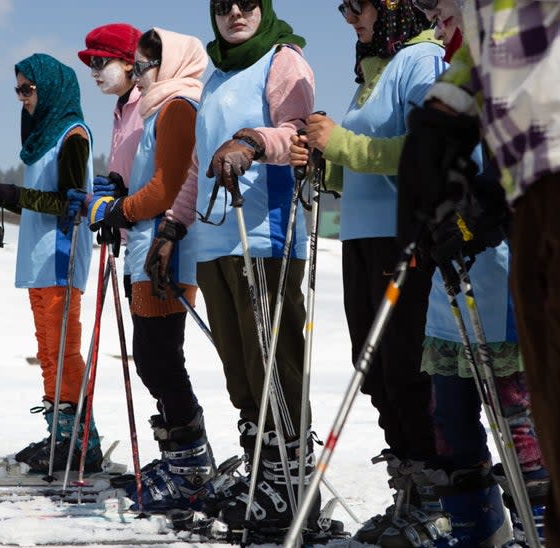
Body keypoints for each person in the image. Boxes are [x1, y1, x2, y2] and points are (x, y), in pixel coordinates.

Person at [290, 1, 455, 544]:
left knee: (407, 368)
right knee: (375, 370)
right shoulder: (374, 72)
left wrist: (342, 144)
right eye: (342, 9)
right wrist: (325, 159)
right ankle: (408, 489)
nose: (350, 19)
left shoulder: (423, 58)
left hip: (402, 234)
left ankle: (439, 501)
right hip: (361, 235)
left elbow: (422, 148)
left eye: (358, 6)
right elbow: (361, 161)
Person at [401, 1, 560, 545]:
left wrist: (479, 212)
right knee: (450, 424)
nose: (436, 9)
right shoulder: (457, 67)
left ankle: (536, 527)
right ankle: (478, 533)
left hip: (505, 282)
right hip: (458, 289)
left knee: (523, 425)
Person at [159, 0, 317, 532]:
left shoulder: (282, 59)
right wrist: (173, 227)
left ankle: (291, 486)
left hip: (265, 236)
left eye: (247, 2)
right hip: (213, 239)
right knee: (240, 371)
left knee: (274, 366)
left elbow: (298, 134)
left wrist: (251, 141)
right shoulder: (215, 73)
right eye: (223, 5)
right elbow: (198, 166)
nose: (235, 13)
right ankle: (261, 472)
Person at [88, 27, 214, 511]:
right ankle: (181, 458)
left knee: (160, 359)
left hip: (166, 248)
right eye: (136, 67)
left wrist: (119, 210)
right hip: (146, 245)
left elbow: (167, 188)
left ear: (171, 63)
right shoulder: (159, 106)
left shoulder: (179, 105)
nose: (137, 75)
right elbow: (150, 181)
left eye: (143, 67)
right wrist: (119, 194)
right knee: (152, 359)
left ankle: (191, 467)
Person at [0, 53, 101, 474]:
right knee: (48, 351)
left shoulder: (72, 136)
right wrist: (5, 197)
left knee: (63, 350)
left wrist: (11, 195)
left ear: (50, 89)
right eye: (18, 90)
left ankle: (80, 440)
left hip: (62, 255)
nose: (22, 98)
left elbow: (68, 202)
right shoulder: (43, 136)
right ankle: (60, 433)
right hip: (40, 258)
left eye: (28, 89)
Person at [77, 23, 144, 192]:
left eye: (99, 62)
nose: (93, 73)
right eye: (92, 64)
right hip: (127, 216)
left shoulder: (149, 104)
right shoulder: (120, 109)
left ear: (128, 63)